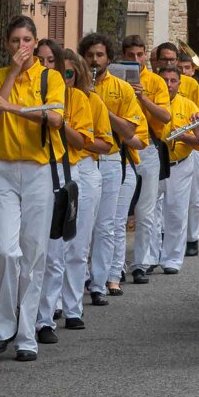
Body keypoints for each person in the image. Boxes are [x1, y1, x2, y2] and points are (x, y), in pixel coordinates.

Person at [0, 16, 66, 361]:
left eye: (27, 40)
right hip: (1, 168)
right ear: (6, 45)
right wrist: (12, 78)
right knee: (4, 248)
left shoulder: (52, 78)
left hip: (37, 169)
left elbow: (57, 119)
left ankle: (26, 334)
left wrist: (14, 107)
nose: (21, 47)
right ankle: (3, 325)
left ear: (35, 42)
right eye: (15, 41)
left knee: (33, 253)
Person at [78, 32, 147, 303]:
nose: (95, 60)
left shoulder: (122, 88)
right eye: (90, 55)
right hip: (81, 157)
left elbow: (131, 129)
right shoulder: (71, 85)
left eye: (100, 55)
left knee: (107, 225)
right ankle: (78, 276)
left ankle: (99, 282)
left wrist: (101, 108)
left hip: (110, 157)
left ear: (108, 58)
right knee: (83, 225)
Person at [57, 49, 112, 331]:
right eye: (59, 72)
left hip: (84, 169)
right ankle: (51, 304)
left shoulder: (91, 101)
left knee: (78, 244)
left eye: (69, 73)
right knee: (54, 244)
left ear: (77, 74)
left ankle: (73, 307)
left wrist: (78, 138)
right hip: (51, 168)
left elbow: (106, 144)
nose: (64, 78)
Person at [34, 38, 84, 345]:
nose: (46, 67)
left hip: (63, 171)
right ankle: (24, 311)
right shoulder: (21, 89)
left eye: (51, 61)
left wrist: (57, 119)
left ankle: (45, 317)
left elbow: (80, 142)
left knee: (56, 251)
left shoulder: (76, 98)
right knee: (25, 251)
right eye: (41, 61)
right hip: (30, 171)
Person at [120, 35, 172, 284]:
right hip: (120, 149)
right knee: (118, 211)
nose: (136, 60)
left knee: (146, 210)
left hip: (148, 148)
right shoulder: (114, 79)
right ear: (123, 56)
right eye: (131, 55)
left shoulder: (156, 82)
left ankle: (141, 263)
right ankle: (115, 265)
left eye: (140, 55)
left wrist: (142, 98)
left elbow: (165, 116)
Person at [155, 64, 199, 273]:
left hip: (180, 164)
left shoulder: (190, 106)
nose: (168, 85)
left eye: (173, 81)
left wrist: (184, 136)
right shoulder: (152, 104)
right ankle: (151, 255)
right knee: (152, 213)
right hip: (156, 164)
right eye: (164, 80)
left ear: (179, 83)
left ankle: (172, 259)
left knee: (176, 212)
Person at [176, 51, 199, 257]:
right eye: (179, 68)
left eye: (186, 68)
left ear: (193, 70)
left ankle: (192, 237)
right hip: (175, 143)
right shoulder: (169, 82)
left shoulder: (196, 88)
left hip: (193, 141)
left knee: (194, 194)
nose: (183, 72)